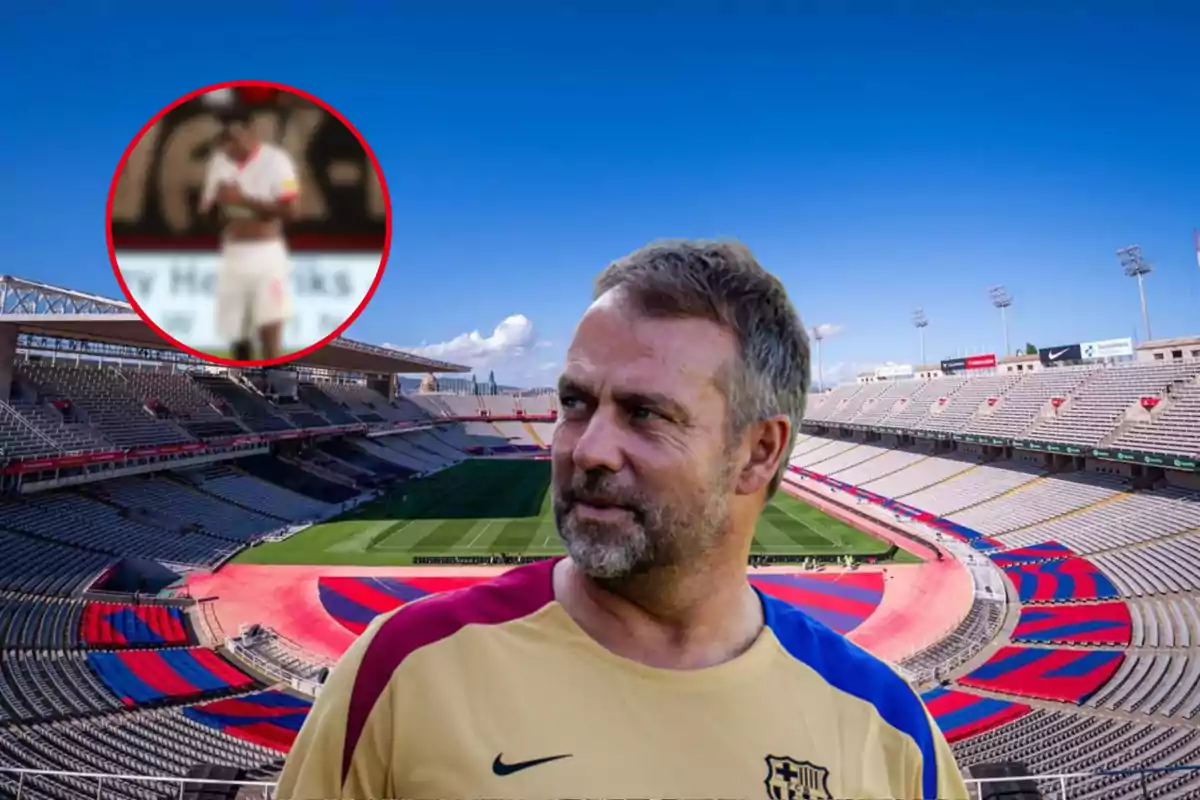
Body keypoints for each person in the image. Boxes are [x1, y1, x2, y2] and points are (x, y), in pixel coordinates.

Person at [277, 240, 968, 800]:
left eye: (646, 413)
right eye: (576, 404)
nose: (588, 448)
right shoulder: (400, 670)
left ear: (759, 452)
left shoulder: (890, 731)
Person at [198, 105, 299, 362]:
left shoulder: (277, 161)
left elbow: (290, 211)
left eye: (233, 138)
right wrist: (213, 207)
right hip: (233, 253)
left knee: (269, 324)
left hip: (266, 252)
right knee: (237, 329)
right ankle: (242, 380)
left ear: (248, 133)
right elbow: (206, 214)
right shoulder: (219, 164)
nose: (229, 148)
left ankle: (271, 379)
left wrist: (244, 201)